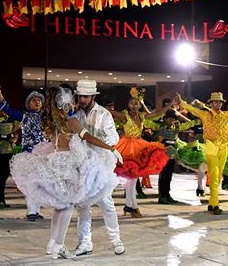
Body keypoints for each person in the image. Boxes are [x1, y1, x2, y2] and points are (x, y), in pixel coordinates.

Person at [10, 86, 122, 259]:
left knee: (63, 206)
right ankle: (63, 246)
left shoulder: (53, 120)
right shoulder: (71, 120)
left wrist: (107, 146)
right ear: (66, 103)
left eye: (84, 97)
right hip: (69, 165)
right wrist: (111, 149)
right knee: (69, 206)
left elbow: (105, 136)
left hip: (59, 162)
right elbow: (87, 137)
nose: (79, 101)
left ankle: (54, 244)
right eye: (76, 98)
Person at [70, 80, 126, 256]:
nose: (82, 99)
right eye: (80, 96)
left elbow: (113, 137)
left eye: (86, 96)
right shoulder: (76, 114)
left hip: (101, 162)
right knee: (82, 204)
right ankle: (85, 242)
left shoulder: (104, 114)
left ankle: (116, 239)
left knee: (106, 202)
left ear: (93, 96)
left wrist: (104, 146)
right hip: (81, 163)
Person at [109, 87, 171, 218]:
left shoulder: (142, 116)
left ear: (139, 104)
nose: (134, 106)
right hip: (126, 148)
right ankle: (133, 207)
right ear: (128, 104)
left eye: (136, 103)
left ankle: (129, 206)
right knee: (131, 181)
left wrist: (170, 105)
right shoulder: (124, 115)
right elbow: (111, 112)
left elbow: (157, 114)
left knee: (132, 180)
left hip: (139, 147)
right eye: (131, 103)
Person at [0, 86, 47, 221]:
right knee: (30, 184)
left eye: (39, 100)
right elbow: (7, 109)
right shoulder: (24, 115)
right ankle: (31, 211)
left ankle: (36, 210)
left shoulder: (46, 117)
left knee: (40, 184)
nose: (37, 102)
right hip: (29, 155)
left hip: (44, 155)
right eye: (34, 100)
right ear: (28, 104)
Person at [148, 109, 201, 204]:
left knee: (169, 175)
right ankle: (162, 196)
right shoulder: (158, 127)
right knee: (163, 175)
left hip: (172, 154)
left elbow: (190, 124)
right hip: (162, 154)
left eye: (172, 119)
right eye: (168, 119)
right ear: (164, 119)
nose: (170, 121)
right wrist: (159, 114)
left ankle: (167, 195)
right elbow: (146, 121)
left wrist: (201, 119)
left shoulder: (176, 127)